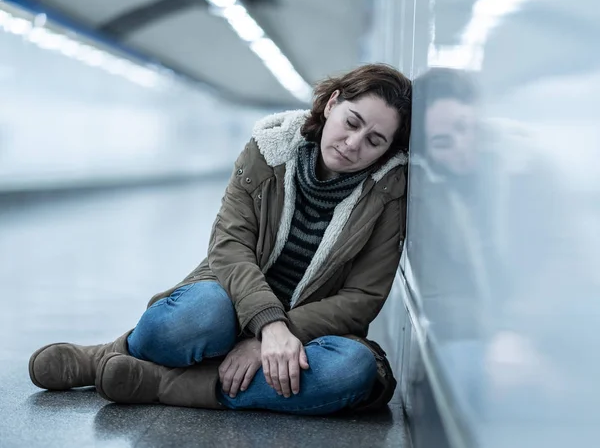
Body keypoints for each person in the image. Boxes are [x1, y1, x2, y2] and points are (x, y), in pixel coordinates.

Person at [29, 64, 412, 416]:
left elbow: (361, 299)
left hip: (306, 334)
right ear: (332, 104)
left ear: (386, 150)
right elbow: (230, 246)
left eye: (374, 140)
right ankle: (113, 355)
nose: (352, 143)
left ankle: (164, 383)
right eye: (352, 122)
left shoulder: (386, 195)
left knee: (350, 370)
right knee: (198, 315)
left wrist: (275, 337)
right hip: (230, 299)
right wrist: (268, 325)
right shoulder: (268, 152)